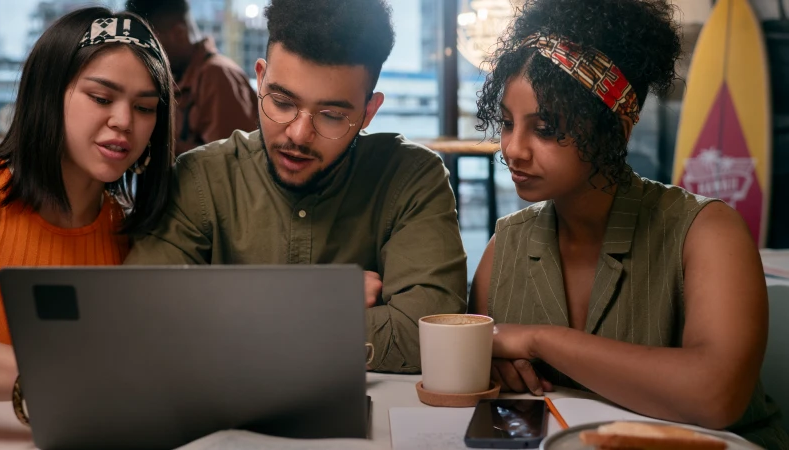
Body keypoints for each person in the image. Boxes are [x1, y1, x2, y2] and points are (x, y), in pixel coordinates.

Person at [468, 0, 788, 446]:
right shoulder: (504, 248)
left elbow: (717, 394)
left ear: (616, 128)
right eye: (506, 123)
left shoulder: (708, 232)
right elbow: (481, 374)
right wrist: (490, 365)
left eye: (545, 129)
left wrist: (539, 340)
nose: (513, 149)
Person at [125, 0, 468, 373]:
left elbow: (428, 338)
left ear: (369, 111)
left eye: (333, 115)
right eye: (283, 102)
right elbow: (142, 316)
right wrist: (320, 298)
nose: (299, 135)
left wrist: (231, 315)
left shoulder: (412, 178)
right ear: (260, 78)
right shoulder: (201, 178)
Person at [0, 7, 175, 401]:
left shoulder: (133, 236)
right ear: (48, 93)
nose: (124, 120)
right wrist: (48, 378)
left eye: (145, 107)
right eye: (101, 97)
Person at [125, 0, 258, 154]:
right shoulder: (178, 76)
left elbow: (232, 163)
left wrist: (158, 144)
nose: (147, 55)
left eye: (151, 45)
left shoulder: (217, 76)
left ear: (178, 33)